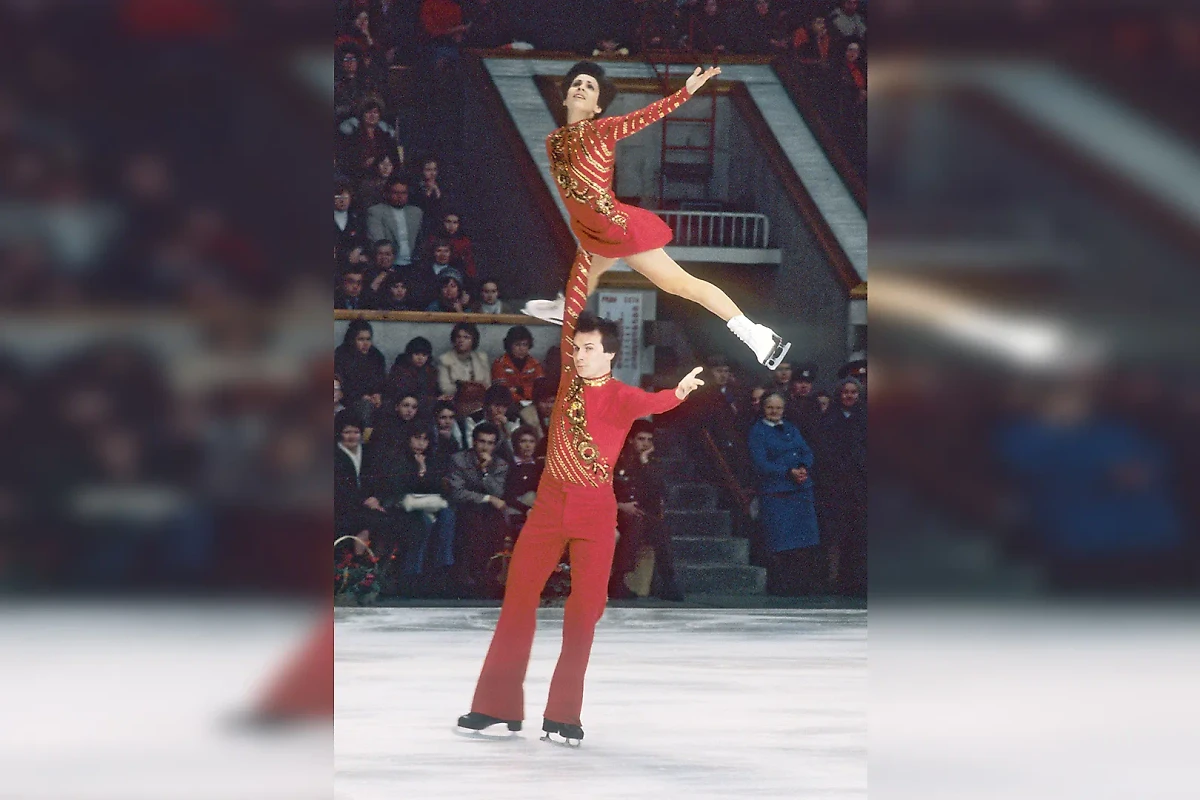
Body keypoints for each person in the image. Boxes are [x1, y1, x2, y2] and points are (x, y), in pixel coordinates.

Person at [456, 252, 706, 744]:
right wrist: (590, 253)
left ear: (610, 354)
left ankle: (563, 713)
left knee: (583, 612)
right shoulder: (570, 383)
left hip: (594, 513)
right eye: (577, 347)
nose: (580, 354)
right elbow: (572, 305)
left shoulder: (624, 395)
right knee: (517, 601)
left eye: (590, 349)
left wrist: (680, 390)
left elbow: (660, 401)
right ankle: (496, 706)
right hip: (548, 508)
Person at [520, 61, 790, 369]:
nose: (581, 87)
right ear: (565, 98)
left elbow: (643, 117)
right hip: (590, 230)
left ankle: (754, 334)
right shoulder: (553, 141)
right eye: (576, 84)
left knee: (679, 284)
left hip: (615, 227)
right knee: (588, 271)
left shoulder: (603, 130)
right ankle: (564, 305)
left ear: (597, 107)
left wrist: (684, 93)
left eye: (590, 86)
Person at [748, 393, 821, 596]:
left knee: (804, 541)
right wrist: (788, 472)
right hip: (777, 492)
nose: (774, 412)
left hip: (801, 490)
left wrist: (803, 467)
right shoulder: (758, 432)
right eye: (770, 407)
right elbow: (761, 462)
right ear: (763, 408)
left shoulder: (791, 427)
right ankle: (782, 587)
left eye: (778, 408)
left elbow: (807, 452)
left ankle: (803, 585)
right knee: (780, 541)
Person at [610, 420, 684, 601]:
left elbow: (659, 491)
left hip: (639, 512)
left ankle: (668, 581)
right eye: (641, 439)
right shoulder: (615, 460)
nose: (645, 444)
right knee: (636, 523)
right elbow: (601, 490)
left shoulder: (651, 463)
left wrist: (644, 463)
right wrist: (620, 505)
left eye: (649, 440)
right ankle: (617, 581)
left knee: (660, 527)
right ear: (631, 440)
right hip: (614, 511)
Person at [491, 325, 544, 404]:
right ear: (509, 345)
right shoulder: (499, 364)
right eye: (517, 345)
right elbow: (501, 391)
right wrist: (520, 400)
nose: (521, 348)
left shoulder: (535, 364)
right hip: (508, 405)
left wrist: (520, 390)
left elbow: (541, 389)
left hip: (533, 403)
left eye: (525, 345)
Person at [438, 321, 491, 398]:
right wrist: (468, 388)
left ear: (473, 340)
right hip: (456, 400)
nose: (461, 340)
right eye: (458, 337)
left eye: (466, 337)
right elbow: (445, 388)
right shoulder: (444, 359)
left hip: (480, 400)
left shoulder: (482, 358)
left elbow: (488, 385)